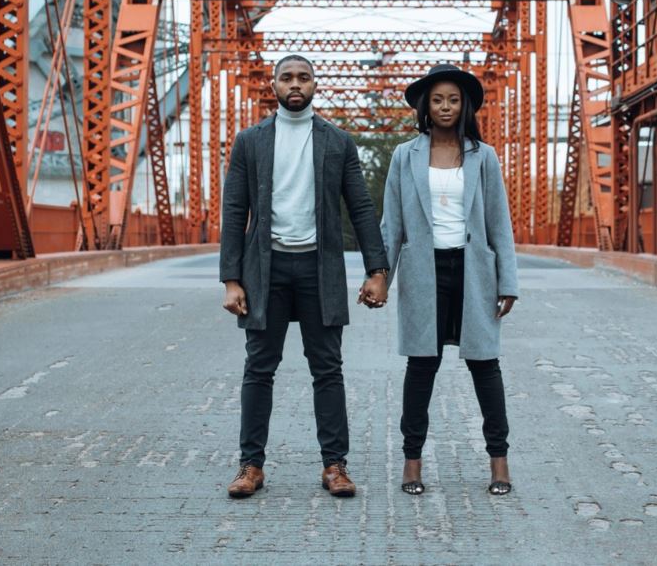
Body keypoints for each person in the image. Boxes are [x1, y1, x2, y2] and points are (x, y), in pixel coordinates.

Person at [220, 54, 389, 499]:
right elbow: (235, 211)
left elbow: (361, 208)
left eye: (304, 77)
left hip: (319, 268)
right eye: (287, 77)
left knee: (327, 370)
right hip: (266, 269)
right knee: (259, 369)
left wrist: (378, 270)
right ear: (273, 85)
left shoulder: (337, 141)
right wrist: (231, 279)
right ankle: (250, 466)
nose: (296, 84)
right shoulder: (250, 141)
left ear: (316, 84)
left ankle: (335, 466)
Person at [377, 63, 518, 495]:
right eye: (437, 99)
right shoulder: (405, 155)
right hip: (424, 271)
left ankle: (499, 463)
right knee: (421, 366)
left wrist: (507, 281)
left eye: (453, 100)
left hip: (473, 270)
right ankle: (412, 463)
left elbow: (499, 222)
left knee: (485, 366)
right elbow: (392, 224)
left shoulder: (484, 156)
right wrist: (381, 277)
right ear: (425, 105)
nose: (445, 107)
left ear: (465, 106)